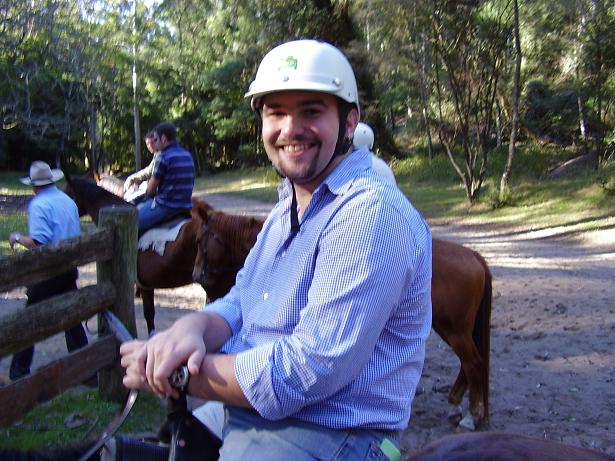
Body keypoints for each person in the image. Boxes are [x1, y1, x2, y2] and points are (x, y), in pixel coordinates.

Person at [120, 39, 432, 461]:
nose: (291, 128)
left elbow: (309, 369)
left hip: (332, 431)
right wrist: (193, 328)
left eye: (311, 111)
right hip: (255, 412)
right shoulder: (288, 206)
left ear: (349, 122)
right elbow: (244, 299)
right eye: (276, 112)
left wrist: (177, 372)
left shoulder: (370, 214)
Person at [8, 161, 88, 380]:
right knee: (71, 317)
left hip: (48, 271)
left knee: (30, 319)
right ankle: (85, 364)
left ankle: (19, 370)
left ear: (35, 185)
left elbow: (38, 241)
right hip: (68, 266)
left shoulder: (39, 204)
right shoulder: (67, 201)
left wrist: (17, 237)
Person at [136, 121, 195, 233]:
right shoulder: (187, 155)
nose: (154, 143)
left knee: (130, 223)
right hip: (186, 207)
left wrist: (147, 194)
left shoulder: (163, 157)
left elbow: (151, 189)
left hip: (166, 208)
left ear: (163, 139)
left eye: (155, 139)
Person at [123, 130, 161, 203]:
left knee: (130, 200)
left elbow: (149, 172)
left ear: (157, 141)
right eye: (147, 144)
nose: (150, 146)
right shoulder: (156, 155)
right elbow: (149, 170)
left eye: (152, 143)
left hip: (160, 192)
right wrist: (132, 178)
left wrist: (132, 178)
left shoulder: (160, 155)